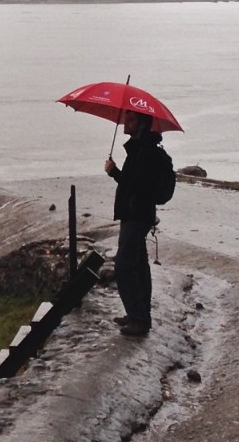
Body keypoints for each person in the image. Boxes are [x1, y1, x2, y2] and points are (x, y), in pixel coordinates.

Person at [103, 110, 163, 337]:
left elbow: (138, 187)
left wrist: (115, 172)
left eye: (131, 119)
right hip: (134, 214)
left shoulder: (144, 151)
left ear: (141, 125)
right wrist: (117, 173)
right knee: (138, 266)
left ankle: (139, 319)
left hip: (137, 216)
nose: (125, 122)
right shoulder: (139, 148)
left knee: (125, 267)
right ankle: (138, 314)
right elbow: (134, 184)